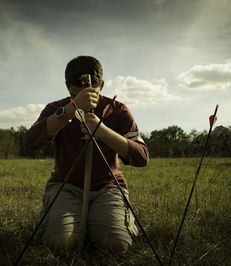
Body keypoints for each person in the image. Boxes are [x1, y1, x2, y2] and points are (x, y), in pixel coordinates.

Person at [24, 56, 149, 255]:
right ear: (67, 87)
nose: (86, 99)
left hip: (108, 187)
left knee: (115, 247)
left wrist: (103, 131)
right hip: (66, 186)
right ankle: (76, 226)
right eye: (77, 95)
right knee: (61, 245)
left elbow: (142, 157)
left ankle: (98, 224)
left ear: (102, 85)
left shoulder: (117, 109)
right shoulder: (56, 108)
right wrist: (71, 110)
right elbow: (30, 142)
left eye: (92, 93)